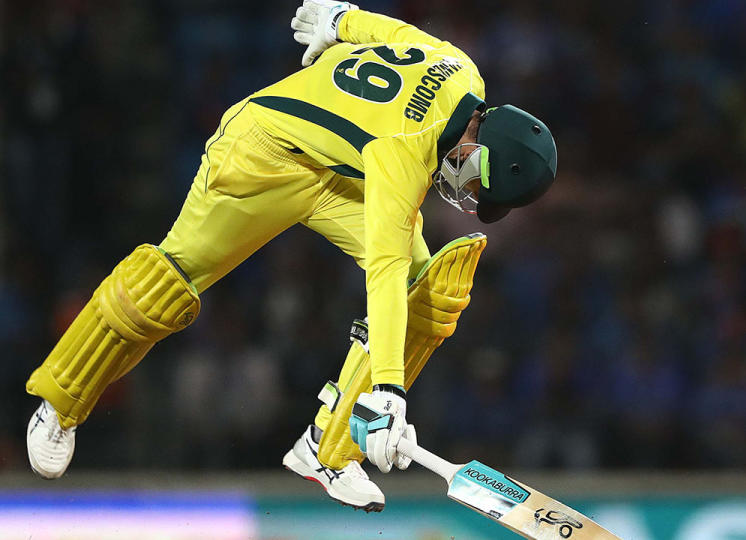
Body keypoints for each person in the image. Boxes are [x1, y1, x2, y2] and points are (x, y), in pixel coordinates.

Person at [24, 0, 557, 512]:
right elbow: (384, 270)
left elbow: (393, 35)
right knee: (159, 289)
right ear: (479, 152)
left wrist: (339, 18)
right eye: (474, 187)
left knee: (431, 294)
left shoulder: (462, 71)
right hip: (262, 157)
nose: (464, 200)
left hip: (339, 173)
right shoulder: (406, 152)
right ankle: (61, 403)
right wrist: (390, 389)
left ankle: (330, 447)